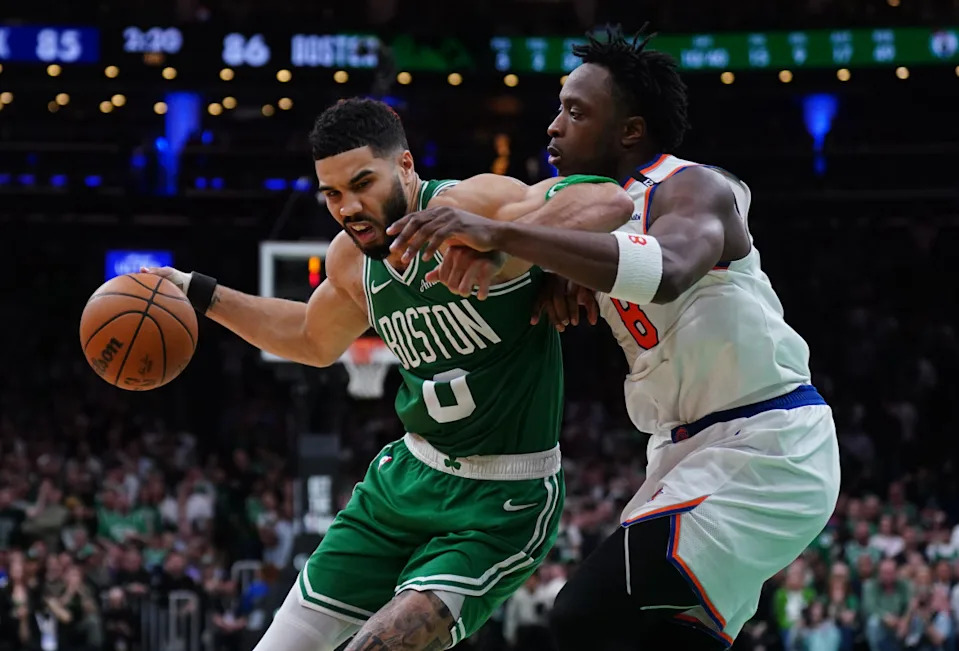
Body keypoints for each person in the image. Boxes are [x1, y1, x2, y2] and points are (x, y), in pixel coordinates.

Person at [387, 26, 841, 649]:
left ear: (629, 131)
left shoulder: (692, 187)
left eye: (576, 112)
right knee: (659, 636)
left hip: (766, 444)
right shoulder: (596, 210)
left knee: (582, 615)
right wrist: (556, 267)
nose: (553, 127)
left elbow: (669, 269)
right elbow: (596, 244)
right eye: (557, 109)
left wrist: (504, 237)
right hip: (680, 454)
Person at [143, 97, 633, 650]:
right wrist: (199, 292)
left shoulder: (471, 205)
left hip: (501, 499)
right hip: (402, 484)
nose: (348, 206)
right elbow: (310, 337)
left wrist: (503, 246)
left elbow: (605, 199)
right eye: (332, 194)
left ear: (405, 166)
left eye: (361, 183)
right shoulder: (351, 261)